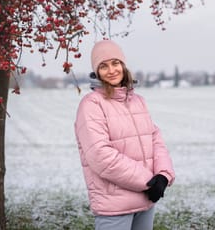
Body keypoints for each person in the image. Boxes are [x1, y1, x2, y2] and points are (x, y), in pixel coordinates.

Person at [74, 39, 175, 230]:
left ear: (123, 65)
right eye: (103, 66)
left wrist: (163, 176)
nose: (111, 70)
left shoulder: (138, 101)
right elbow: (101, 156)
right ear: (97, 72)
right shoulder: (91, 105)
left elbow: (155, 139)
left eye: (115, 63)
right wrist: (148, 182)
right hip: (115, 206)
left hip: (146, 201)